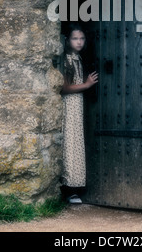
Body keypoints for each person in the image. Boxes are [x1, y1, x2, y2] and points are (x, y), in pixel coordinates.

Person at [60, 23, 98, 205]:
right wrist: (87, 84)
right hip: (70, 106)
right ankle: (68, 189)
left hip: (77, 106)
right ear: (67, 40)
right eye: (75, 38)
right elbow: (64, 87)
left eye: (82, 38)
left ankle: (74, 187)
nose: (79, 42)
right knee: (70, 144)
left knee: (75, 143)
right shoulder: (67, 60)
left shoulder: (77, 58)